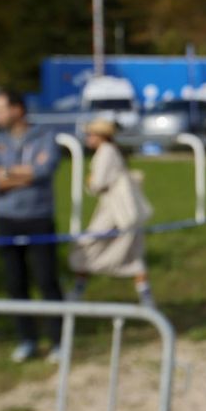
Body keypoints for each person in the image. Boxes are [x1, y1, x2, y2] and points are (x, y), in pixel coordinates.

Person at [0, 91, 64, 363]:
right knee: (15, 283)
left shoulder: (44, 135)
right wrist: (22, 174)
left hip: (39, 216)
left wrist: (7, 174)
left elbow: (44, 169)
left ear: (18, 109)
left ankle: (58, 341)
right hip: (6, 219)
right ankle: (27, 339)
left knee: (46, 280)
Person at [67, 119, 154, 307]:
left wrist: (89, 182)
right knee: (133, 253)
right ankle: (146, 297)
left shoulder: (105, 152)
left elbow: (97, 183)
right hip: (124, 211)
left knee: (87, 244)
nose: (88, 138)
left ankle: (77, 290)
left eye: (91, 134)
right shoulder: (111, 151)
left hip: (115, 211)